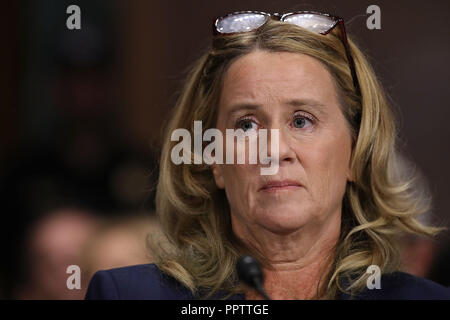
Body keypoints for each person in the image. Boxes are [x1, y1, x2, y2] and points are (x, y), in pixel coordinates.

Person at [85, 11, 450, 300]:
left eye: (302, 121)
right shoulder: (128, 295)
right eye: (247, 125)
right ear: (215, 160)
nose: (274, 151)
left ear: (356, 152)